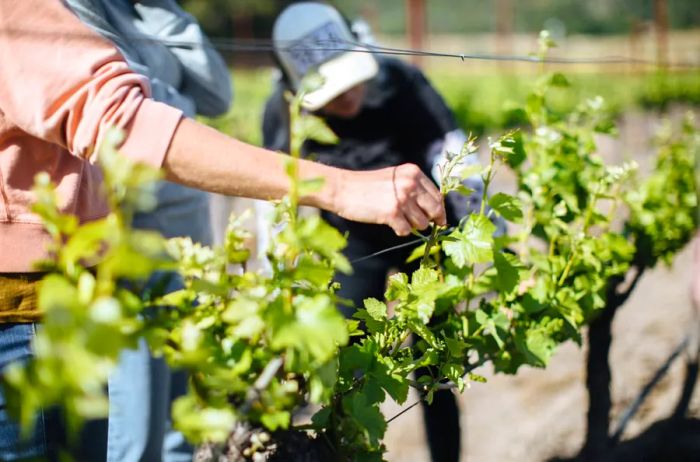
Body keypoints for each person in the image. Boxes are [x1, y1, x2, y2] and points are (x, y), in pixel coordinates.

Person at [0, 1, 446, 461]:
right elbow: (121, 122)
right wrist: (341, 189)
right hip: (34, 302)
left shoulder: (405, 86)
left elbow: (209, 94)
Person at [261, 4, 495, 461]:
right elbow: (272, 186)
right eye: (331, 93)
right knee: (347, 366)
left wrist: (479, 229)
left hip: (429, 238)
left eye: (351, 83)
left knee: (436, 371)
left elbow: (453, 152)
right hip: (355, 245)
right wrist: (279, 272)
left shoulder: (401, 82)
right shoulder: (284, 111)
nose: (346, 99)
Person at [63, 1, 231, 461]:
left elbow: (219, 95)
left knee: (179, 427)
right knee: (134, 433)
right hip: (127, 236)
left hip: (187, 235)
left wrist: (161, 10)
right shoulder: (79, 6)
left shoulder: (148, 10)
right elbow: (127, 114)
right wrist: (181, 109)